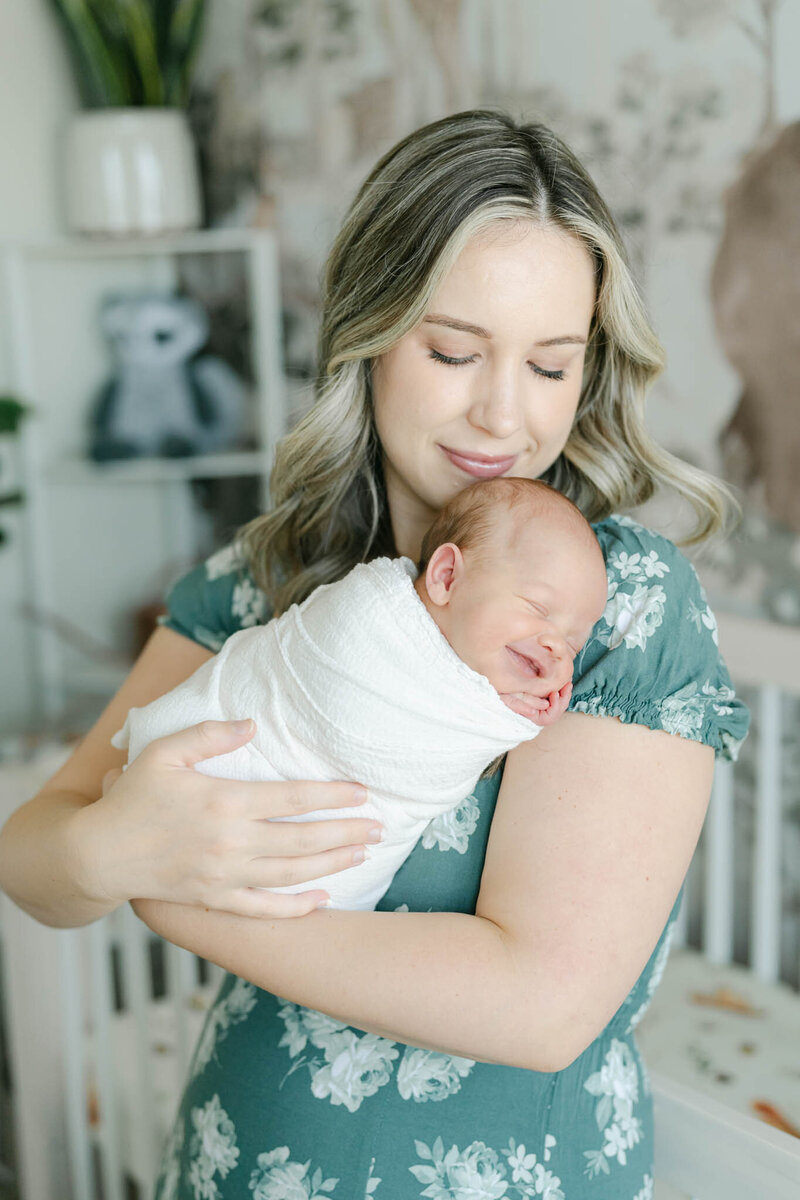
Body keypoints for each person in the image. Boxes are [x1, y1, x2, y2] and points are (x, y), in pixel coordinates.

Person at [0, 110, 750, 1199]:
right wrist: (108, 851)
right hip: (232, 1163)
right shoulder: (268, 582)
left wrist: (173, 900)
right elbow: (34, 854)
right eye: (452, 351)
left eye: (549, 365)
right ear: (365, 329)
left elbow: (538, 1007)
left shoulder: (608, 606)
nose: (503, 413)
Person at [112, 478, 608, 911]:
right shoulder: (365, 616)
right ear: (447, 576)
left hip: (318, 915)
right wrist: (101, 853)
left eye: (573, 644)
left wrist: (514, 717)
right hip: (217, 757)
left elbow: (460, 743)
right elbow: (343, 703)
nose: (556, 648)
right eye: (539, 607)